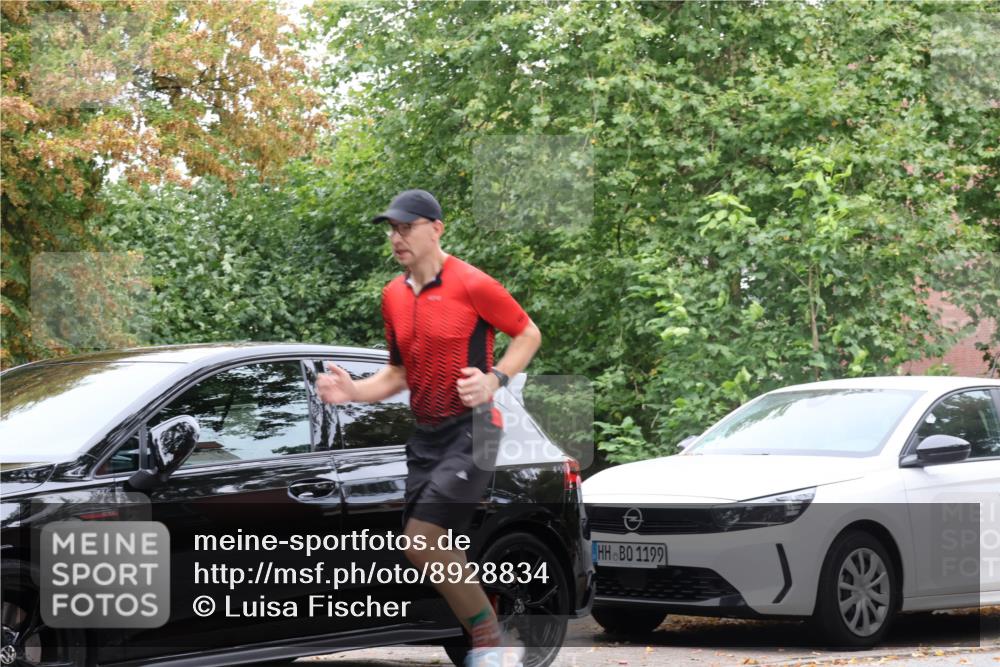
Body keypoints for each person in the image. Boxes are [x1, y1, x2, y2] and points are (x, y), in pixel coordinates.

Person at [316, 189, 542, 667]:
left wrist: (495, 379)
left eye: (406, 228)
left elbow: (528, 333)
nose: (396, 238)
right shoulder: (393, 295)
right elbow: (398, 374)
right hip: (428, 434)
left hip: (475, 428)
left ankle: (489, 643)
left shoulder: (472, 283)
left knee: (422, 536)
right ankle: (491, 626)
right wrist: (352, 391)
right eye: (392, 229)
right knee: (419, 547)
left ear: (435, 229)